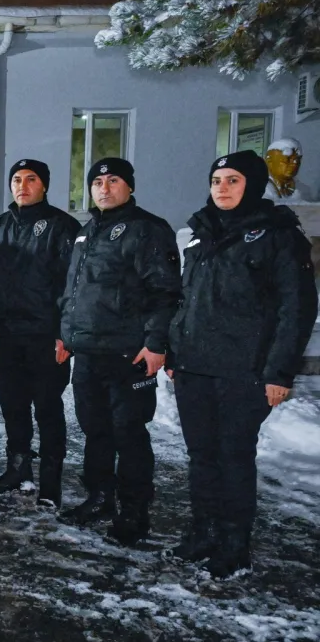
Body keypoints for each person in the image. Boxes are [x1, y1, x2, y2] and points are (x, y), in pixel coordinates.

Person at [167, 150, 317, 578]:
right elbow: (186, 298)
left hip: (244, 370)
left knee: (233, 457)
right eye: (217, 181)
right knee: (201, 456)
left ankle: (234, 546)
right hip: (195, 367)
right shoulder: (200, 233)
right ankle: (203, 533)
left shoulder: (278, 235)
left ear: (252, 185)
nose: (223, 188)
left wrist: (278, 372)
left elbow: (296, 309)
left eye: (233, 180)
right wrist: (176, 350)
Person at [57, 158, 181, 545]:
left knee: (128, 433)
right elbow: (73, 291)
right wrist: (65, 334)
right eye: (97, 182)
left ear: (129, 186)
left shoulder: (147, 229)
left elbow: (165, 292)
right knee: (94, 430)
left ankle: (134, 510)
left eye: (113, 181)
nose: (104, 188)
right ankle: (99, 497)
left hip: (129, 354)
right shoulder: (86, 232)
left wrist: (156, 343)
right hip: (89, 351)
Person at [0, 159, 80, 506]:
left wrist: (65, 333)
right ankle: (18, 469)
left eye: (31, 179)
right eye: (17, 180)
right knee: (13, 406)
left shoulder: (62, 226)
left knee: (47, 409)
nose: (22, 186)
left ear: (45, 185)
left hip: (46, 336)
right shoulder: (1, 226)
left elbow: (72, 284)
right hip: (8, 335)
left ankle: (51, 483)